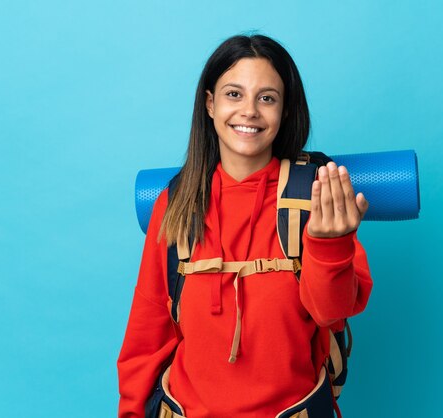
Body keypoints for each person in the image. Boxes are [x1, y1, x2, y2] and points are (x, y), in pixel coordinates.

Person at [117, 34, 373, 418]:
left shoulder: (316, 193)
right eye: (234, 94)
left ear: (285, 110)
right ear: (210, 104)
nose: (249, 110)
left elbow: (331, 311)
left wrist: (330, 244)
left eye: (267, 97)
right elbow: (147, 335)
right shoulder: (174, 204)